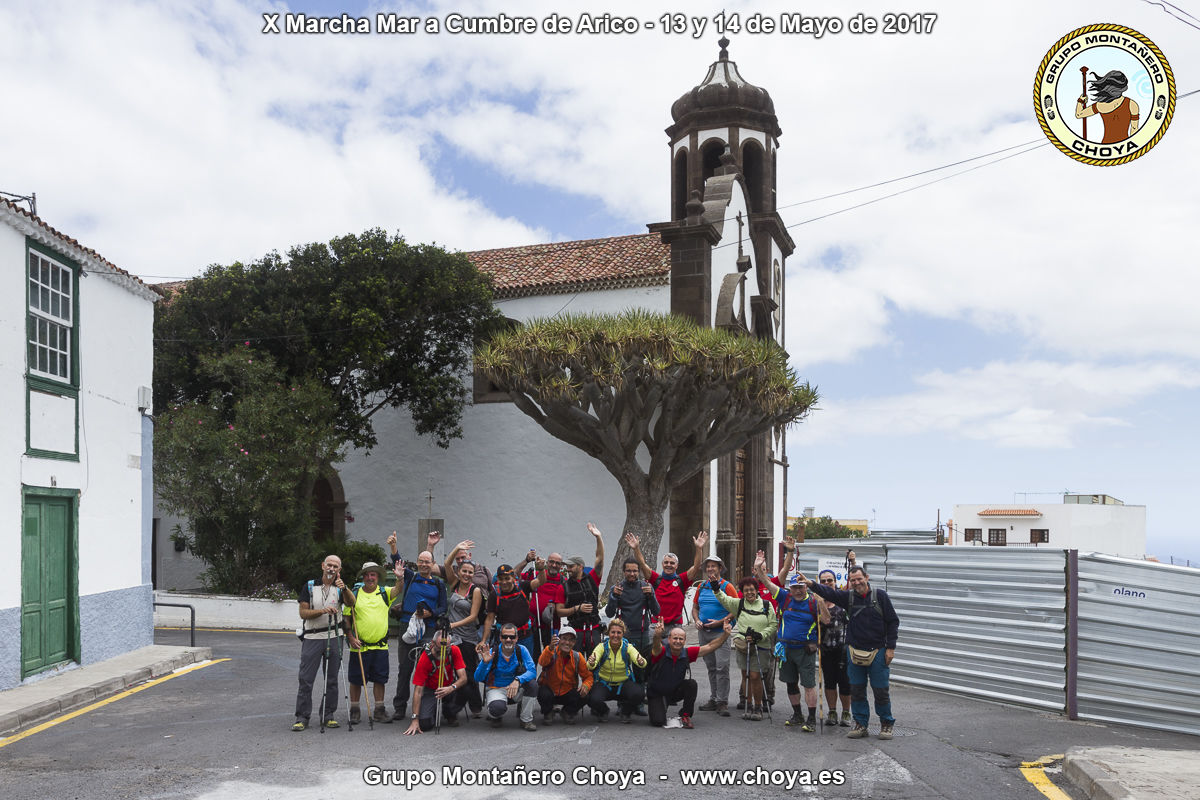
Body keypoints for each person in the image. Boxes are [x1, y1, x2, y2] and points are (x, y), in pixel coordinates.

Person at [802, 565, 900, 739]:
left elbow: (893, 621)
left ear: (866, 577)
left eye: (859, 579)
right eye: (853, 580)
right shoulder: (848, 598)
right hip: (854, 651)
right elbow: (829, 593)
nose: (856, 582)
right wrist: (810, 584)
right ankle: (861, 724)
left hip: (878, 651)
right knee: (857, 690)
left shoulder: (880, 596)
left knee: (880, 690)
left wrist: (890, 648)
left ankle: (886, 724)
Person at [757, 558, 828, 732]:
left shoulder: (813, 601)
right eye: (794, 587)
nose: (797, 591)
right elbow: (765, 581)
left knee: (809, 685)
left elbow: (826, 620)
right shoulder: (784, 597)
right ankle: (797, 715)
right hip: (786, 649)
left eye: (800, 587)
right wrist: (759, 567)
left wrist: (821, 603)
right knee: (790, 683)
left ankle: (811, 718)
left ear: (806, 587)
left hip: (805, 650)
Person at [386, 533, 448, 722]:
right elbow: (398, 562)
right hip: (407, 627)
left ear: (432, 564)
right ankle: (399, 707)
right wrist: (394, 547)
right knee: (405, 668)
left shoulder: (438, 583)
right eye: (420, 561)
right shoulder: (411, 577)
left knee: (428, 667)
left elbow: (443, 608)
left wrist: (431, 614)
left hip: (428, 629)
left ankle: (425, 706)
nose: (423, 564)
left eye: (427, 562)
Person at [293, 554, 355, 731]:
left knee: (332, 678)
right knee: (306, 679)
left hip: (335, 635)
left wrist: (345, 589)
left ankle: (328, 715)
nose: (332, 569)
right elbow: (303, 613)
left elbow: (352, 603)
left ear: (339, 570)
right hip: (312, 636)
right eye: (329, 565)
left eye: (336, 566)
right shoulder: (310, 585)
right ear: (323, 566)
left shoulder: (340, 587)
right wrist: (321, 611)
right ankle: (302, 717)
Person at [712, 575, 777, 721]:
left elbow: (773, 625)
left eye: (752, 589)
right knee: (745, 675)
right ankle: (748, 703)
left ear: (757, 590)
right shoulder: (739, 604)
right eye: (746, 590)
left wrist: (760, 635)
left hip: (761, 645)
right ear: (742, 591)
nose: (749, 592)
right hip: (743, 644)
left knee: (755, 676)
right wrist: (716, 588)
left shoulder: (766, 605)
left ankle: (758, 706)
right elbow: (724, 599)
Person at [646, 619, 732, 729]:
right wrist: (657, 635)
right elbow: (656, 646)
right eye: (675, 638)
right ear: (669, 639)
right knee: (658, 721)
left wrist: (725, 635)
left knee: (691, 684)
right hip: (657, 693)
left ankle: (685, 715)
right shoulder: (661, 651)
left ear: (685, 641)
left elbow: (710, 646)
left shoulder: (687, 653)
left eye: (680, 639)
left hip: (674, 692)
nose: (678, 641)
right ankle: (661, 705)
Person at [604, 556, 660, 715]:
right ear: (623, 571)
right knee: (622, 670)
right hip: (622, 637)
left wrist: (651, 596)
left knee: (640, 670)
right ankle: (623, 703)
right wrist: (613, 597)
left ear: (639, 572)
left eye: (635, 571)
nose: (632, 574)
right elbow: (609, 612)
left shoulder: (645, 587)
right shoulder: (618, 588)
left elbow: (656, 611)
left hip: (641, 634)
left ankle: (639, 702)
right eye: (628, 570)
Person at [345, 561, 397, 725]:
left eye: (373, 574)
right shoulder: (354, 594)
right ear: (363, 577)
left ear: (378, 577)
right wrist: (351, 638)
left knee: (380, 679)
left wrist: (400, 577)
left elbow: (399, 589)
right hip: (359, 646)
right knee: (356, 680)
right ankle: (355, 711)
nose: (369, 577)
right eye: (366, 574)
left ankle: (379, 711)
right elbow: (346, 618)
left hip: (380, 646)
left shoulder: (385, 593)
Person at [625, 530, 707, 631]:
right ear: (662, 564)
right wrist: (636, 548)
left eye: (672, 563)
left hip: (675, 626)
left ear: (677, 566)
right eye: (666, 562)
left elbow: (696, 567)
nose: (669, 565)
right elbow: (642, 564)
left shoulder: (682, 580)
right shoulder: (655, 579)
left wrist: (699, 548)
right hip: (656, 625)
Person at [691, 555, 738, 716]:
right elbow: (695, 608)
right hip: (704, 632)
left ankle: (722, 701)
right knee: (711, 667)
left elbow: (736, 609)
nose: (710, 569)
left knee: (722, 667)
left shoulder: (727, 586)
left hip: (721, 633)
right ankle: (714, 698)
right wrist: (696, 620)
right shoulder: (702, 586)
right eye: (708, 566)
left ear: (720, 568)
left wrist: (720, 622)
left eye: (713, 566)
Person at [444, 544, 485, 719]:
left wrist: (453, 625)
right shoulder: (454, 584)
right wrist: (457, 548)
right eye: (464, 571)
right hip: (451, 637)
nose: (467, 575)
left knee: (468, 672)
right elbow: (446, 564)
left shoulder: (474, 591)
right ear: (459, 572)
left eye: (470, 572)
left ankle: (470, 705)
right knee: (452, 670)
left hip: (467, 637)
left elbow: (473, 616)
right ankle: (460, 703)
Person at [475, 622, 538, 731]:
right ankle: (495, 715)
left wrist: (518, 680)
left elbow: (532, 671)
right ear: (500, 637)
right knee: (497, 709)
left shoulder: (521, 650)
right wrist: (484, 663)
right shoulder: (491, 652)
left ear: (517, 638)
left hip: (515, 688)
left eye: (512, 637)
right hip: (496, 689)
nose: (508, 639)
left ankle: (526, 720)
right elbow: (478, 678)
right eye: (505, 637)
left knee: (533, 685)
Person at [404, 629, 468, 734]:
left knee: (467, 688)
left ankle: (449, 712)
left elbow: (463, 678)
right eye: (440, 646)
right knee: (425, 724)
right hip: (431, 690)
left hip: (450, 686)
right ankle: (431, 711)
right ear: (433, 643)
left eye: (446, 647)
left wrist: (451, 688)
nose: (443, 650)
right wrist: (415, 719)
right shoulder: (424, 658)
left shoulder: (454, 650)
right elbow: (418, 690)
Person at [586, 617, 647, 723]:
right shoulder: (601, 646)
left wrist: (641, 662)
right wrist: (591, 663)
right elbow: (591, 663)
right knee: (590, 697)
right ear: (608, 633)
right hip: (604, 684)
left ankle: (626, 712)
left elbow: (640, 661)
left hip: (623, 684)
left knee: (639, 694)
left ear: (623, 634)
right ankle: (603, 711)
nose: (615, 635)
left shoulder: (627, 646)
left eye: (619, 632)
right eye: (613, 632)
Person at [478, 563, 546, 655]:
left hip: (524, 637)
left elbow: (540, 581)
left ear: (513, 578)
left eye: (507, 578)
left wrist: (541, 570)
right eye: (501, 579)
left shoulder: (523, 587)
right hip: (504, 639)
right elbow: (490, 618)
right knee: (504, 665)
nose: (504, 582)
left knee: (525, 665)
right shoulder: (494, 595)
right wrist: (483, 640)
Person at [536, 625, 593, 725]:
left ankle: (567, 712)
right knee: (542, 692)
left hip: (567, 691)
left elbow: (588, 676)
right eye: (564, 639)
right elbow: (542, 662)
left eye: (571, 640)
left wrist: (586, 685)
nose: (567, 642)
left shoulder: (577, 656)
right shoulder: (550, 651)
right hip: (550, 690)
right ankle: (548, 712)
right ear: (559, 639)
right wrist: (550, 648)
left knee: (585, 695)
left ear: (574, 643)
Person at [816, 569, 852, 727]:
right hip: (826, 649)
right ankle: (832, 711)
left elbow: (859, 584)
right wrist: (819, 601)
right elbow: (826, 621)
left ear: (835, 581)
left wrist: (853, 562)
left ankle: (846, 712)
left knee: (845, 682)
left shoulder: (843, 598)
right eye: (823, 581)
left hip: (844, 649)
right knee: (830, 682)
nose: (826, 583)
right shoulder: (816, 601)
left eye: (829, 580)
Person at [562, 523, 606, 653]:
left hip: (594, 630)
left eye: (571, 566)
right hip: (575, 632)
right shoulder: (564, 586)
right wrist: (577, 609)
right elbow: (559, 611)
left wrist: (598, 537)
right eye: (567, 567)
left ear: (580, 566)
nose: (568, 569)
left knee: (594, 666)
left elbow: (600, 559)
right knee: (575, 666)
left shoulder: (592, 579)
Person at [1075, 70, 1139, 144]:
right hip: (1124, 147)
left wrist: (1080, 101)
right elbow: (1134, 129)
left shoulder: (1100, 105)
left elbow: (1079, 114)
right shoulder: (1132, 104)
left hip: (1105, 145)